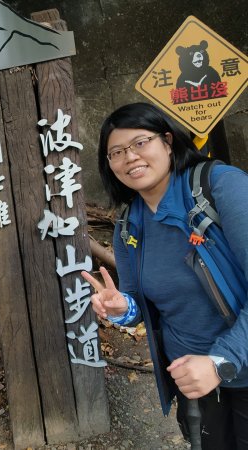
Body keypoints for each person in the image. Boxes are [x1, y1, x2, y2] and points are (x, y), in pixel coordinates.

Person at [81, 102, 248, 449]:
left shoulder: (221, 187)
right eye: (116, 152)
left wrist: (221, 360)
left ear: (168, 142)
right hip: (193, 382)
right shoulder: (129, 225)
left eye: (140, 143)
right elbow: (139, 307)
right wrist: (120, 308)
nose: (130, 157)